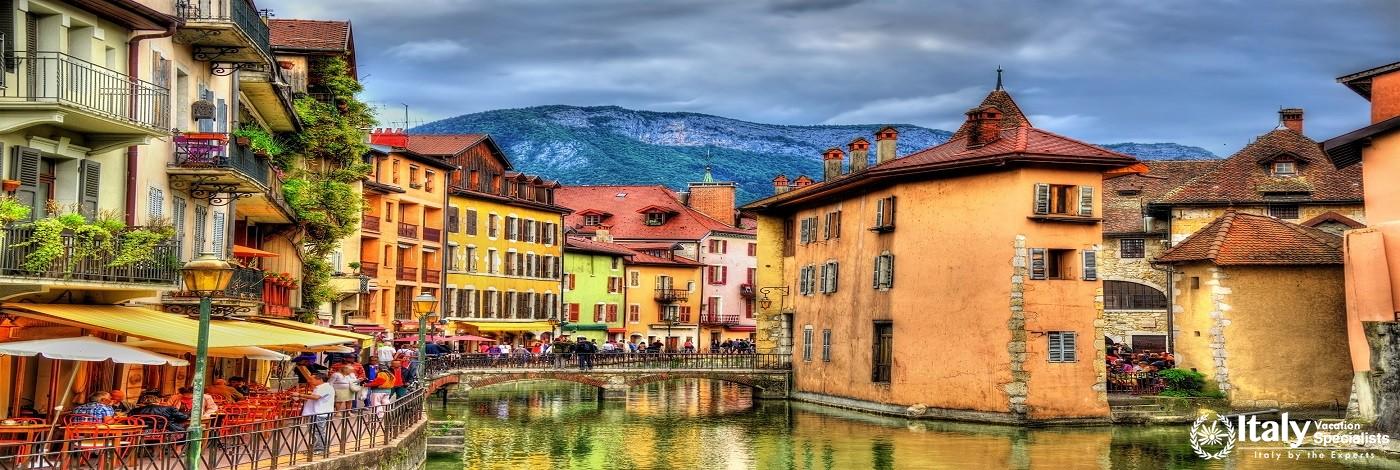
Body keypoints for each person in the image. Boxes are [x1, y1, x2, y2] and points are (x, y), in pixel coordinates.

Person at [295, 373, 334, 454]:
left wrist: (300, 394)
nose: (310, 381)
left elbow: (316, 397)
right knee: (314, 431)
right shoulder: (319, 388)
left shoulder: (325, 387)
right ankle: (315, 448)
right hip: (316, 412)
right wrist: (301, 397)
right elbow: (315, 399)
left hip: (320, 413)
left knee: (318, 431)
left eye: (312, 379)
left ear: (320, 380)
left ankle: (320, 449)